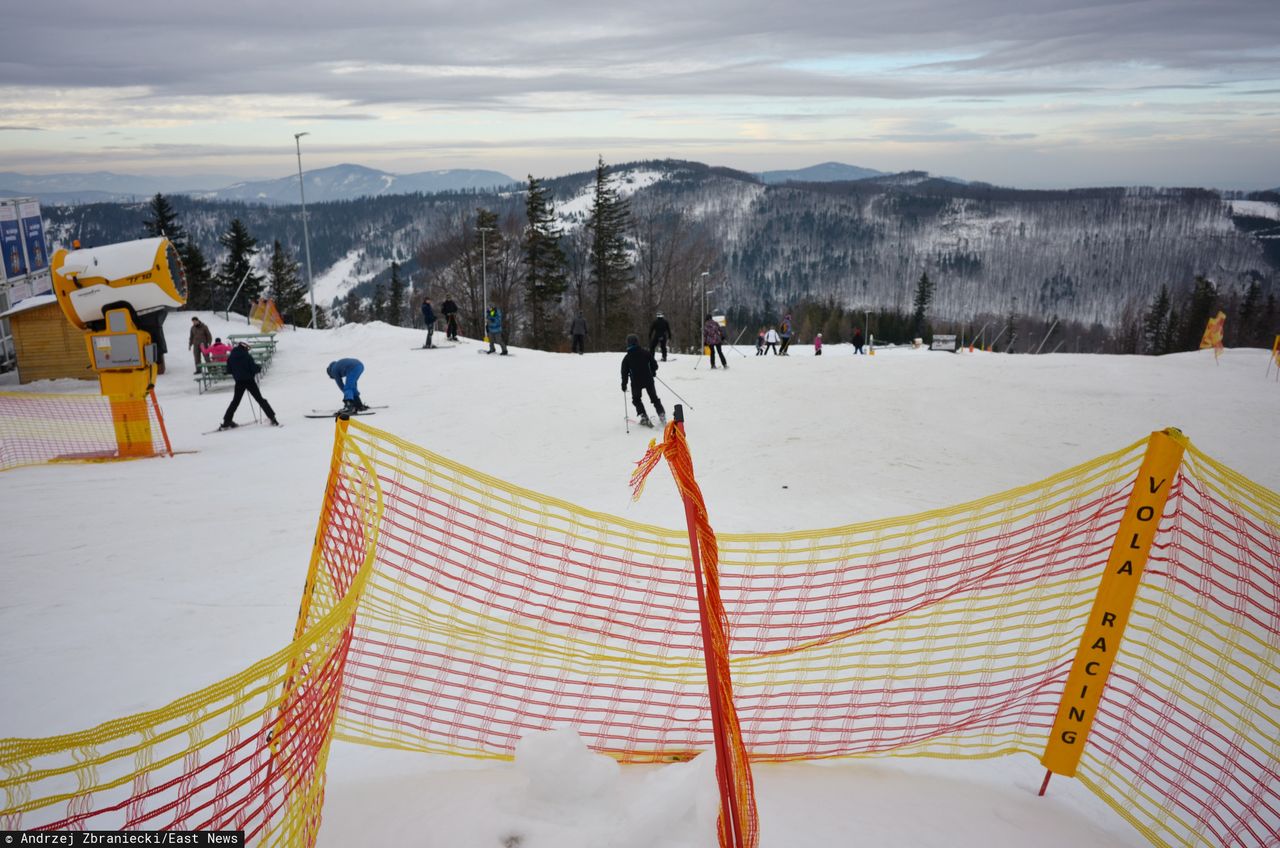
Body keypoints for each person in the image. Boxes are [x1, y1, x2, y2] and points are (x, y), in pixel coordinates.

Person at [220, 342, 278, 429]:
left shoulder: (231, 356)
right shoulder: (246, 356)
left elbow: (229, 370)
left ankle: (227, 421)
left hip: (239, 382)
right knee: (260, 399)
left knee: (235, 402)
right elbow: (254, 368)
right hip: (249, 381)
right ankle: (272, 418)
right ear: (245, 348)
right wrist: (258, 368)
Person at [621, 334, 665, 427]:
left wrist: (624, 384)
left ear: (628, 344)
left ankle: (644, 417)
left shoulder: (627, 358)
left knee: (636, 399)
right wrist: (652, 372)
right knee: (654, 398)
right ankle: (661, 414)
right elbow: (655, 365)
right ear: (637, 342)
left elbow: (624, 373)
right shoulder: (646, 353)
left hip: (636, 382)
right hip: (648, 380)